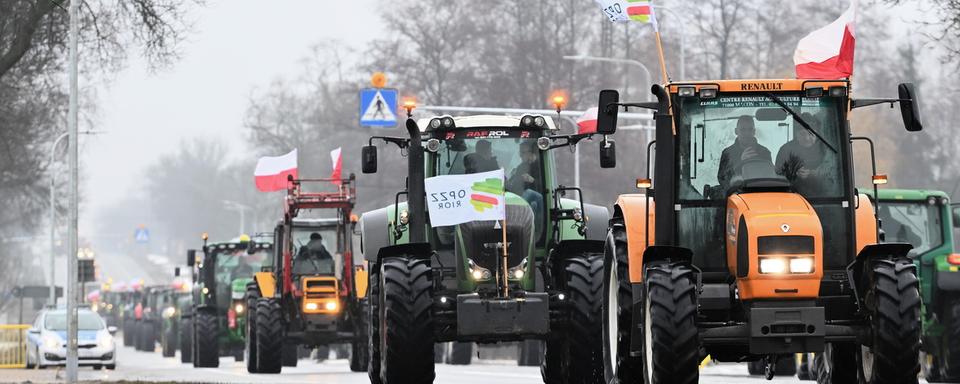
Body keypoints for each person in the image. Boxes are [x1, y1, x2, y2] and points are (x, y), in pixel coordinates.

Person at [717, 115, 772, 192]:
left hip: (759, 195)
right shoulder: (727, 153)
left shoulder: (764, 152)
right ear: (736, 131)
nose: (747, 133)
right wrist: (740, 162)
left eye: (750, 129)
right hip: (735, 196)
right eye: (743, 129)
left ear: (754, 131)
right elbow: (722, 179)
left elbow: (770, 179)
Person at [775, 113, 825, 195]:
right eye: (802, 134)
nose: (806, 138)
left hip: (824, 195)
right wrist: (793, 172)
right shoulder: (786, 149)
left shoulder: (825, 149)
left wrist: (813, 173)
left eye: (810, 134)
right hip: (792, 194)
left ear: (817, 134)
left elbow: (833, 171)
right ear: (796, 134)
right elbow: (777, 172)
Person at [507, 141, 544, 226]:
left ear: (532, 153)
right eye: (520, 152)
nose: (520, 155)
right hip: (522, 198)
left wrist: (532, 181)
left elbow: (545, 188)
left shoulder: (541, 166)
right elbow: (516, 187)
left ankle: (517, 215)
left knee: (529, 193)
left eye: (523, 152)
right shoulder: (521, 167)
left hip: (539, 201)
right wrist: (508, 183)